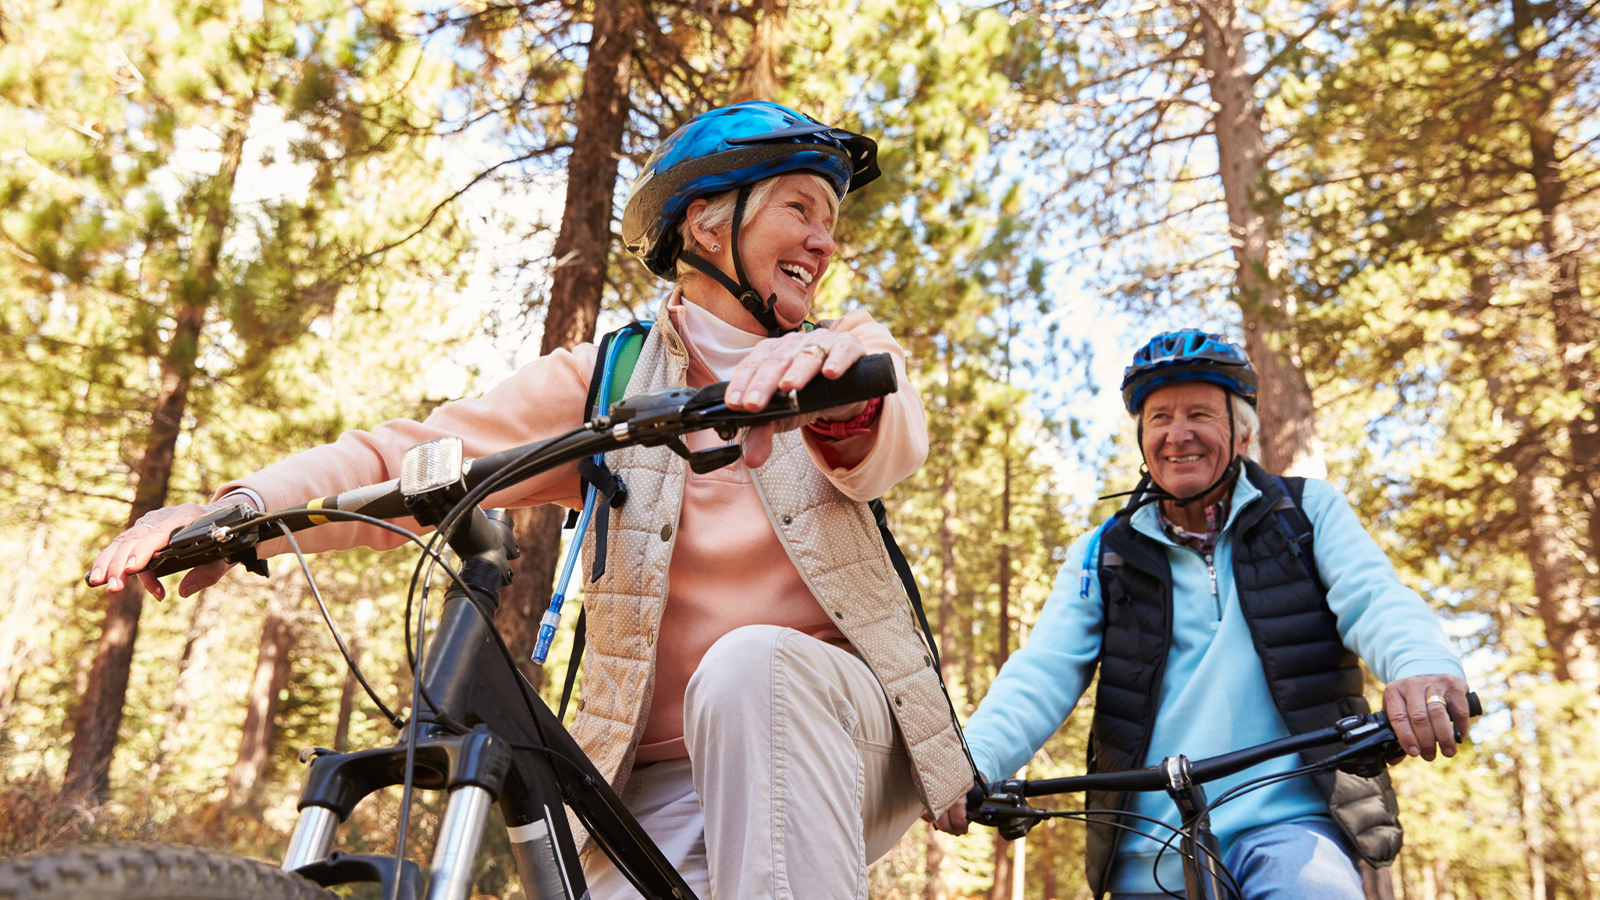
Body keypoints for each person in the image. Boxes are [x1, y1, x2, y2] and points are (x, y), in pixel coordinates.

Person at [89, 101, 972, 900]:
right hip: (655, 778)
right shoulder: (609, 379)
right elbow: (408, 456)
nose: (825, 241)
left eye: (831, 220)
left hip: (838, 735)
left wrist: (841, 393)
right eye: (800, 209)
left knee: (752, 670)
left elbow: (885, 432)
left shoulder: (844, 351)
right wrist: (236, 514)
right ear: (707, 224)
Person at [936, 330, 1471, 900]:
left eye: (1199, 413)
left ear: (1241, 432)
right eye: (1159, 417)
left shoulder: (1306, 513)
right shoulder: (1103, 553)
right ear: (1142, 439)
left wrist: (1421, 667)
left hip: (1293, 827)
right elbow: (1045, 669)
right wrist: (973, 762)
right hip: (1148, 839)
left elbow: (1376, 601)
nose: (1178, 434)